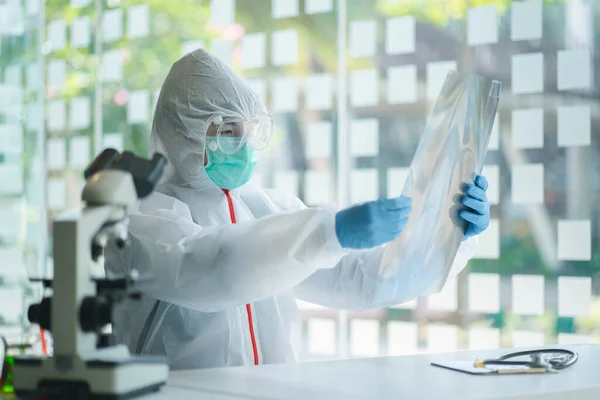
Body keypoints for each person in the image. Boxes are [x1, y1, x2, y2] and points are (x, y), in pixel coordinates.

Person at [104, 50, 491, 370]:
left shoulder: (267, 209)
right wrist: (326, 233)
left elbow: (363, 279)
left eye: (247, 130)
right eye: (224, 131)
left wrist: (449, 234)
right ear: (180, 132)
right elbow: (212, 268)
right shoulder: (141, 220)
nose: (242, 145)